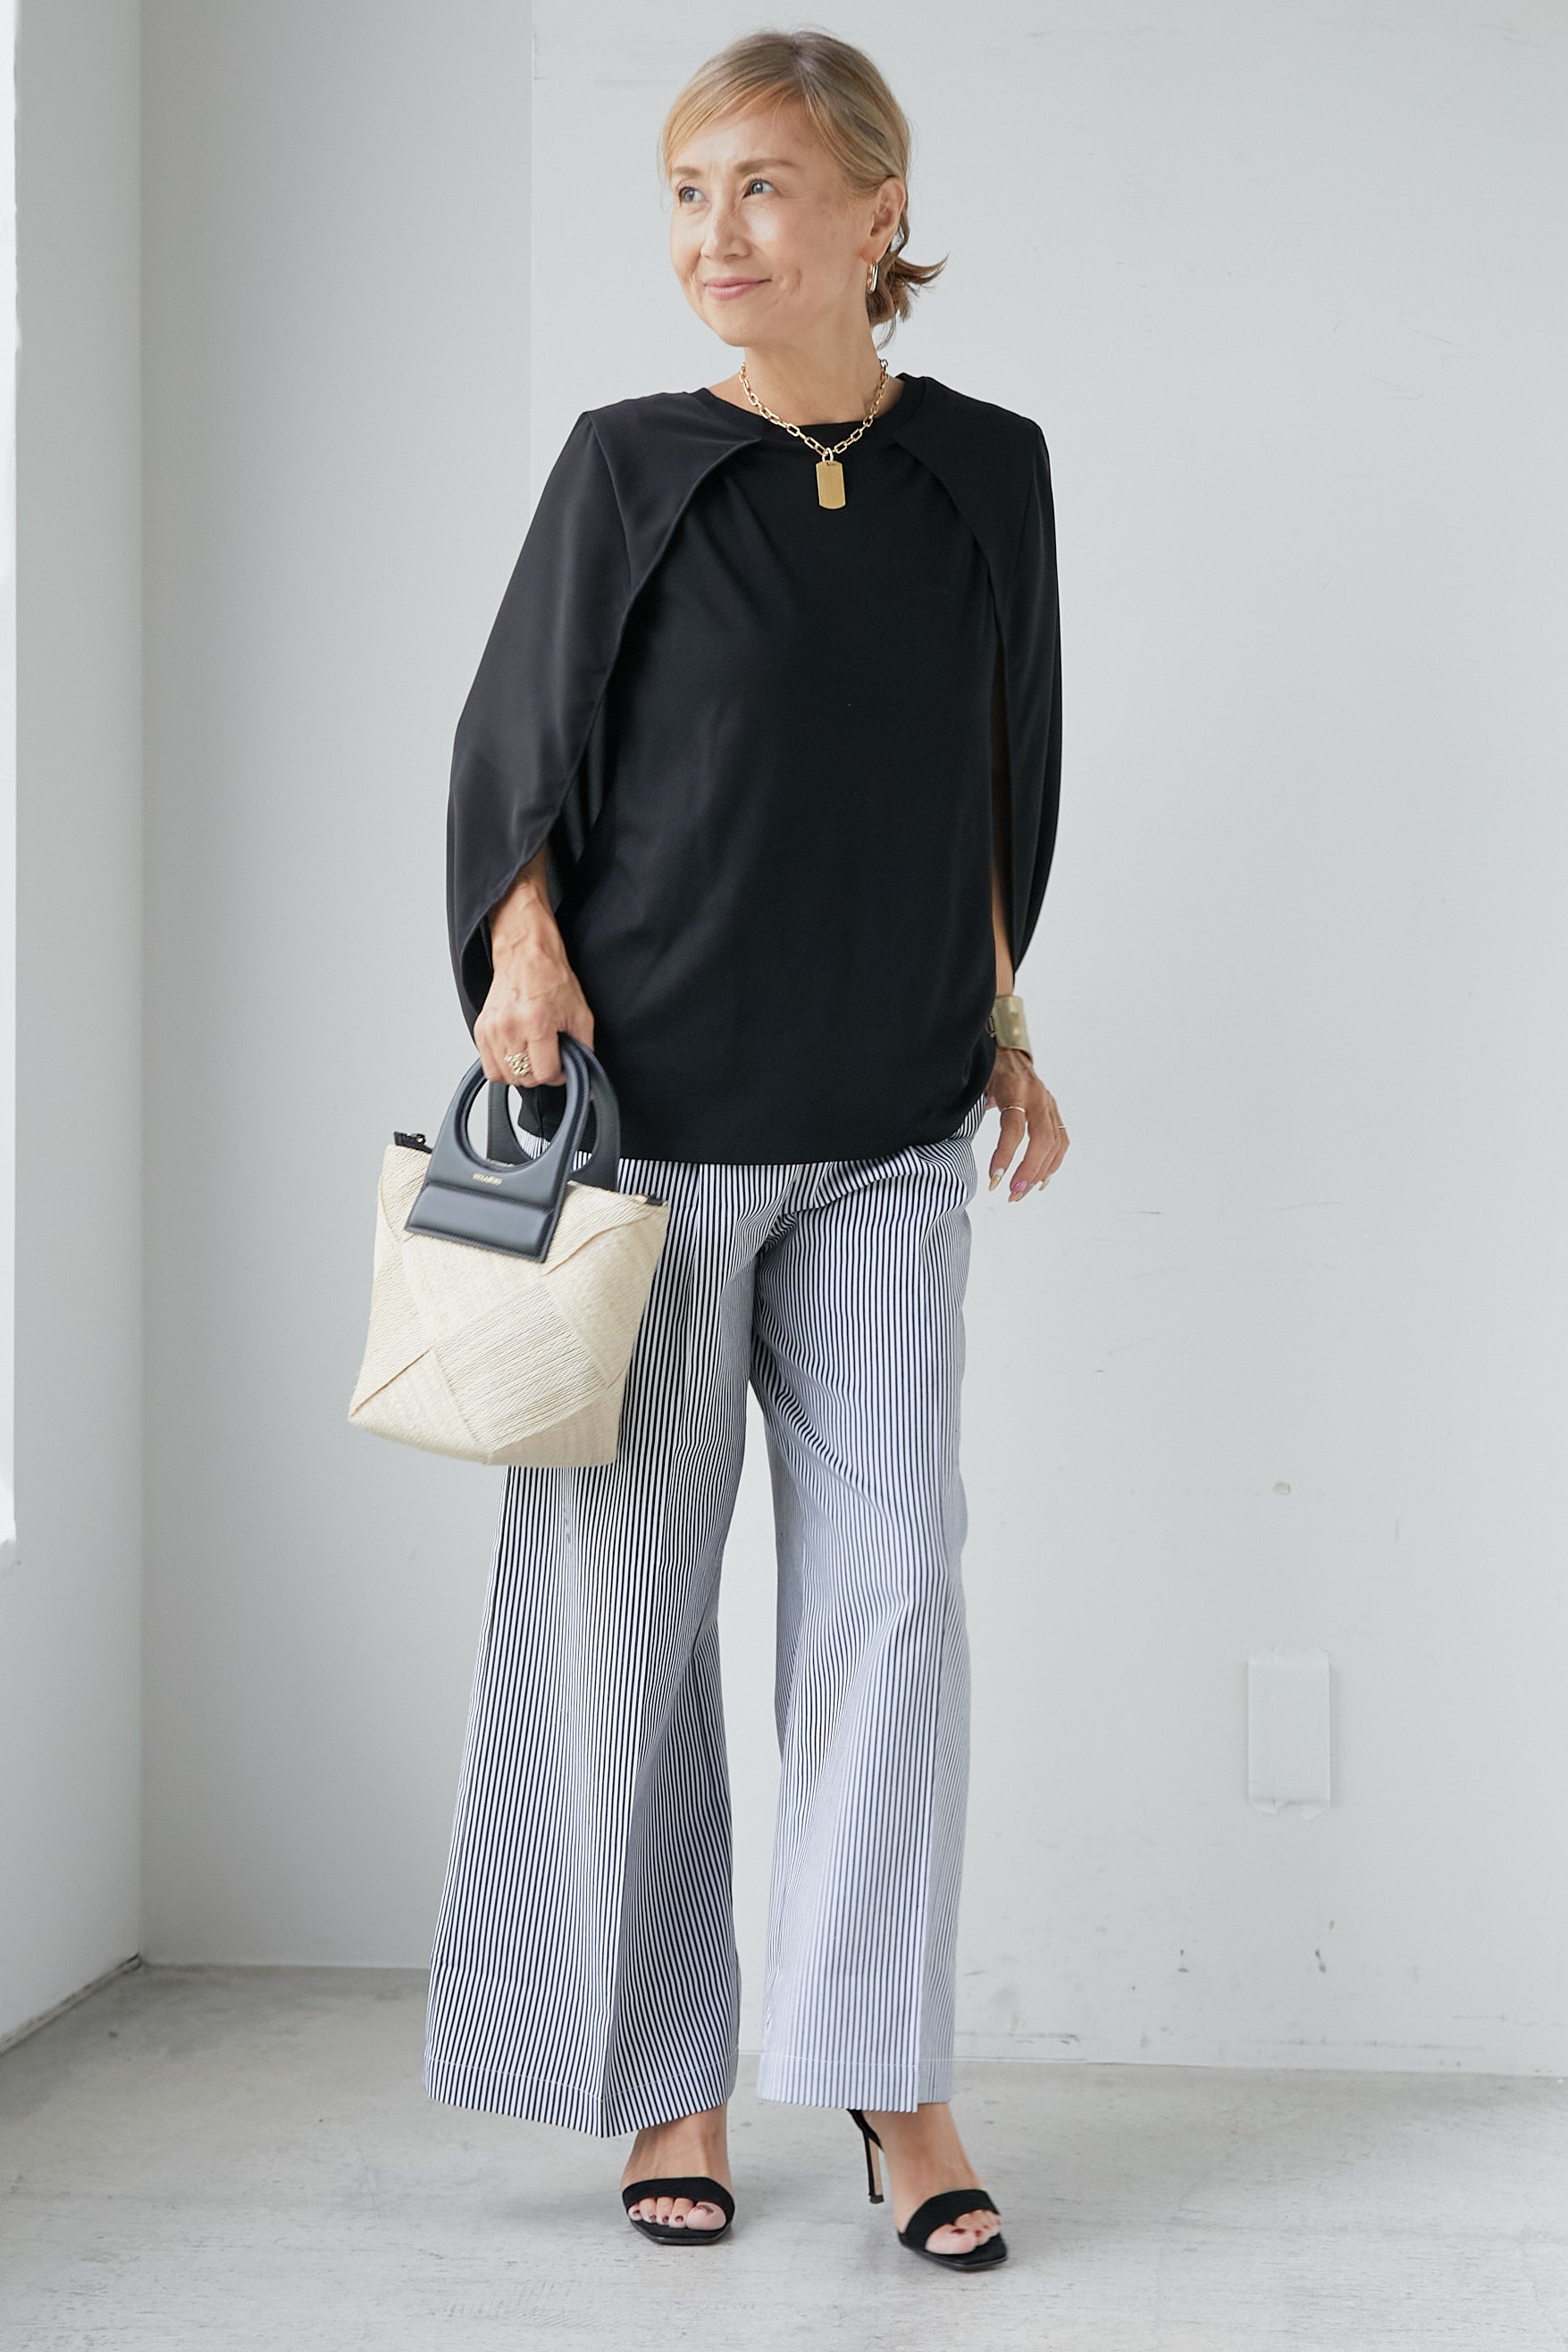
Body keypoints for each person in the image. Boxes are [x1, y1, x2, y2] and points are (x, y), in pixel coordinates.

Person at [423, 28, 1067, 2273]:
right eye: (690, 192)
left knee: (892, 1604)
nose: (716, 235)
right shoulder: (629, 466)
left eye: (765, 188)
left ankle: (892, 2077)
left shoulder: (986, 472)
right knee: (624, 1623)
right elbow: (514, 749)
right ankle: (666, 2079)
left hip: (888, 1124)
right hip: (655, 1136)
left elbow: (998, 778)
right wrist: (517, 948)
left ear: (879, 216)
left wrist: (1004, 1026)